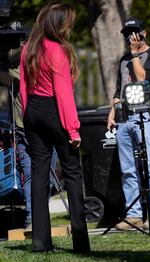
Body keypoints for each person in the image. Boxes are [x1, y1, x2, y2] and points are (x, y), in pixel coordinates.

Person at [19, 2, 90, 252]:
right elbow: (63, 94)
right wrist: (73, 129)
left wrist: (29, 117)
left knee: (39, 174)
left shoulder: (29, 48)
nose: (69, 25)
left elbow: (23, 89)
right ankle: (81, 242)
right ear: (58, 23)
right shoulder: (57, 50)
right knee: (72, 173)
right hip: (53, 112)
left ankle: (40, 243)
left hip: (33, 113)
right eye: (67, 21)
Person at [107, 17, 150, 230]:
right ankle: (133, 215)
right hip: (124, 118)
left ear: (144, 33)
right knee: (128, 169)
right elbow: (118, 89)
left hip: (145, 116)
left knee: (149, 166)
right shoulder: (123, 60)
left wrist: (135, 55)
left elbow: (143, 79)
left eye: (135, 32)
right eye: (127, 34)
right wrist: (113, 110)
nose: (131, 37)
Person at [1, 50, 58, 230]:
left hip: (49, 127)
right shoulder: (12, 69)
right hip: (24, 129)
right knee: (31, 173)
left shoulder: (46, 63)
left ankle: (40, 217)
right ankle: (33, 218)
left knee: (46, 175)